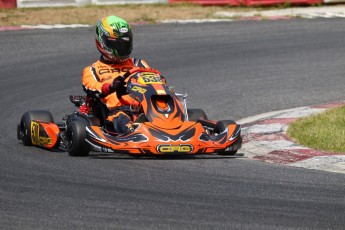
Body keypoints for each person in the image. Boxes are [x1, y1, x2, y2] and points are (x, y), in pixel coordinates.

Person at [82, 15, 150, 135]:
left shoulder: (138, 64)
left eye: (125, 44)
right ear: (102, 42)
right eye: (118, 45)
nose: (122, 48)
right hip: (116, 112)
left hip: (145, 108)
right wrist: (110, 87)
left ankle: (172, 124)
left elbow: (154, 81)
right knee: (121, 118)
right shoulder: (92, 70)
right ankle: (134, 132)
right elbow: (91, 87)